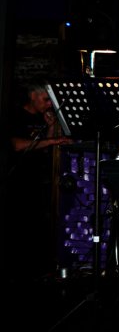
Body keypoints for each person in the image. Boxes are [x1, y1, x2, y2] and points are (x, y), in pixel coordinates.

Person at [4, 78, 73, 282]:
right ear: (32, 96)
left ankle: (38, 269)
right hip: (19, 180)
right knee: (20, 227)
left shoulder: (43, 117)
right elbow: (17, 145)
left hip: (39, 180)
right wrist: (54, 139)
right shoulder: (16, 115)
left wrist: (51, 128)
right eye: (45, 99)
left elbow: (45, 148)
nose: (49, 104)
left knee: (39, 226)